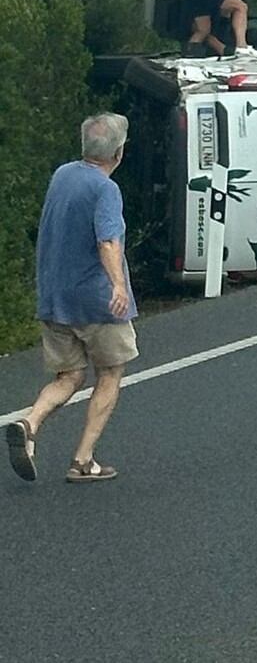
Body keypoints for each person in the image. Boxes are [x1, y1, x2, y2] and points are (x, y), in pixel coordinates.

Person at [7, 114, 139, 483]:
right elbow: (107, 241)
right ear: (118, 152)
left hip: (54, 296)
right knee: (110, 372)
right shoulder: (105, 189)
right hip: (94, 300)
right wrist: (117, 286)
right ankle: (83, 460)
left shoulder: (62, 174)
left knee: (70, 375)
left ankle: (30, 423)